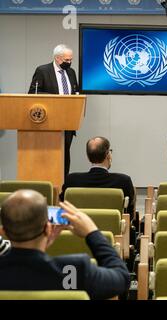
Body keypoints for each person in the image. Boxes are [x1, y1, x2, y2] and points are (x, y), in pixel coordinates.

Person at [0, 190, 130, 299]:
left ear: (3, 232)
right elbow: (122, 278)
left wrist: (42, 244)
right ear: (47, 229)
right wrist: (93, 233)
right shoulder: (74, 270)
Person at [28, 44, 79, 178]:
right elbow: (33, 93)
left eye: (70, 60)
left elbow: (76, 92)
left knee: (65, 154)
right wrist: (56, 100)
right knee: (49, 155)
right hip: (49, 122)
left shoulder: (71, 72)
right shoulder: (43, 71)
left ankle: (64, 184)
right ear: (57, 58)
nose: (69, 63)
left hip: (68, 121)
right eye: (66, 60)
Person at [59, 136, 135, 216]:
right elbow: (129, 214)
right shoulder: (123, 181)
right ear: (108, 155)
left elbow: (62, 206)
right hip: (112, 227)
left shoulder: (72, 180)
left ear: (88, 157)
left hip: (78, 227)